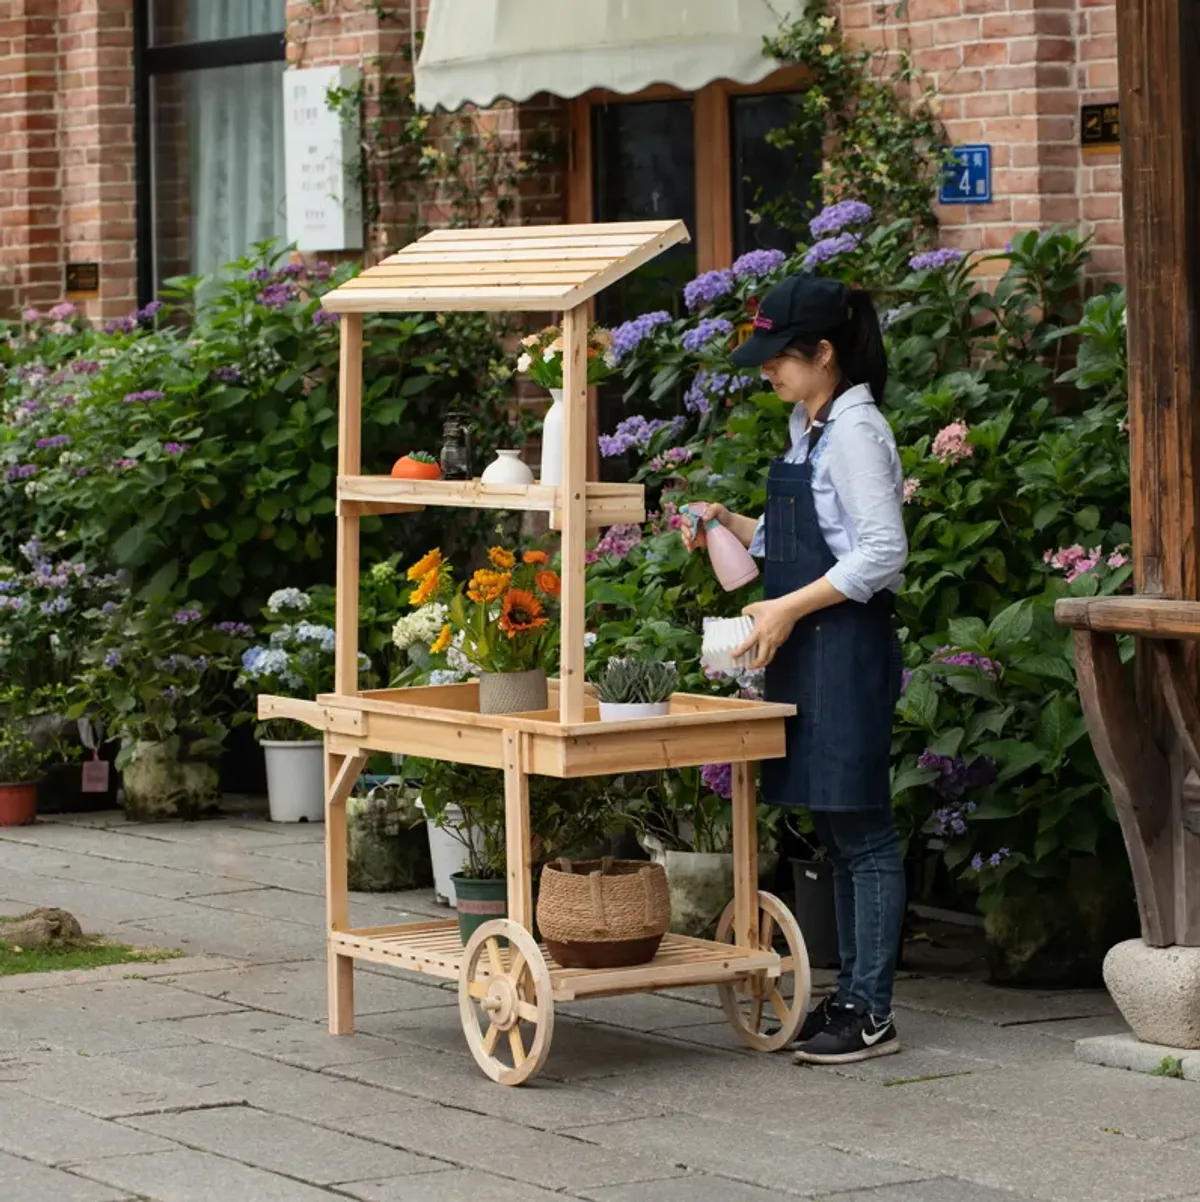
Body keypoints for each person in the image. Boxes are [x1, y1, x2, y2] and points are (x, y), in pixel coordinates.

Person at [682, 274, 908, 1065]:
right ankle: (850, 1000)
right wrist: (727, 522)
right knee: (835, 830)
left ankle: (871, 1013)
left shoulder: (854, 432)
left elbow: (881, 552)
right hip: (811, 642)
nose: (767, 371)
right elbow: (797, 539)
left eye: (780, 357)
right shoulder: (807, 426)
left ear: (824, 352)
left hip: (845, 645)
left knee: (864, 831)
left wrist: (781, 611)